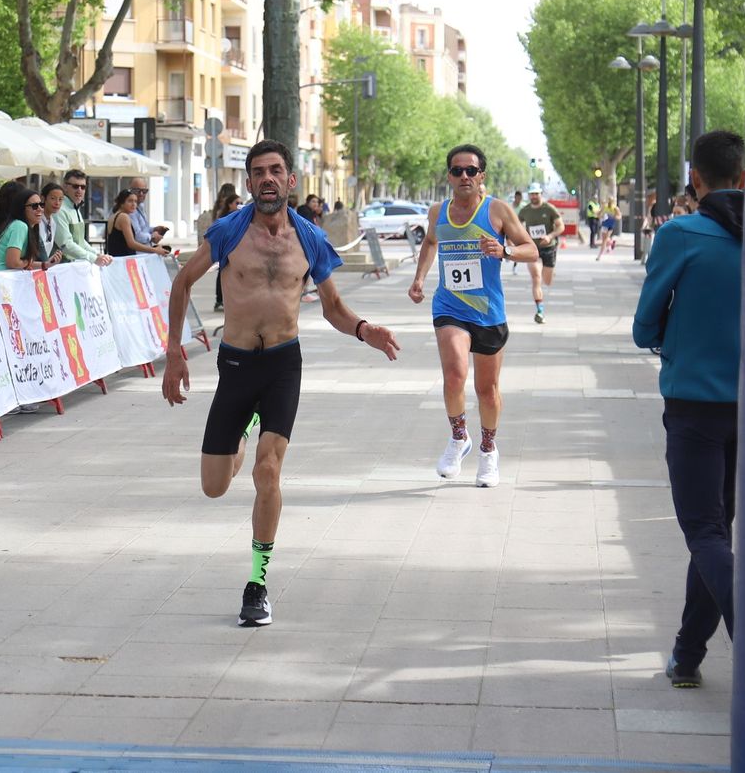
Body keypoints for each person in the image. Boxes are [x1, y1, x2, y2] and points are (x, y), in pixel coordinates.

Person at [162, 139, 400, 627]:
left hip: (282, 367)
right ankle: (242, 437)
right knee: (214, 486)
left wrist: (363, 329)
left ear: (291, 180)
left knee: (268, 473)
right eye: (258, 172)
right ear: (249, 182)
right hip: (234, 366)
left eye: (275, 171)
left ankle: (257, 583)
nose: (267, 179)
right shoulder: (229, 231)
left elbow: (332, 305)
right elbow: (183, 281)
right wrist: (174, 353)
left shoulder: (310, 238)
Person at [631, 131, 745, 690]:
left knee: (703, 530)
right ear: (743, 178)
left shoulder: (680, 234)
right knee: (717, 530)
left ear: (695, 179)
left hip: (695, 405)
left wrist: (668, 334)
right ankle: (686, 655)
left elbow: (643, 325)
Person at [409, 144, 539, 489]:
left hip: (488, 312)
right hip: (449, 307)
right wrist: (420, 278)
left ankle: (487, 448)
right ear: (449, 176)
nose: (464, 176)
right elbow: (431, 243)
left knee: (487, 390)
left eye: (471, 170)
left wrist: (505, 250)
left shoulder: (497, 210)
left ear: (482, 175)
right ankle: (458, 437)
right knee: (454, 376)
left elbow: (532, 249)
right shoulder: (438, 211)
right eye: (457, 171)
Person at [515, 183, 563, 324]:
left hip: (548, 247)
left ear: (541, 194)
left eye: (536, 193)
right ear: (529, 195)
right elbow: (516, 226)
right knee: (536, 277)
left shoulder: (549, 209)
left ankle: (548, 272)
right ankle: (540, 310)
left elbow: (561, 226)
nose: (534, 196)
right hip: (533, 249)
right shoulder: (525, 211)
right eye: (532, 194)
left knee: (547, 281)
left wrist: (550, 236)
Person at [0, 185, 53, 271]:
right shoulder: (20, 226)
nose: (40, 209)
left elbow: (20, 262)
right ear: (22, 209)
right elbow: (13, 263)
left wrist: (46, 264)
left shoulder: (24, 227)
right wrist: (28, 262)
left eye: (41, 205)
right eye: (34, 206)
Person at [50, 170, 111, 265]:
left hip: (71, 266)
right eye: (75, 186)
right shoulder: (60, 209)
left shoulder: (75, 207)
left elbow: (80, 241)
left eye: (83, 187)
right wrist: (93, 258)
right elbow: (66, 245)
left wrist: (97, 255)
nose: (79, 190)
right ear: (65, 187)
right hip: (59, 267)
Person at [107, 188, 168, 257]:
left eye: (135, 201)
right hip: (124, 259)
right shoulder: (123, 217)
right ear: (122, 203)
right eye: (130, 201)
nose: (133, 204)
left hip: (116, 258)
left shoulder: (113, 216)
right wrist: (154, 250)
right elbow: (132, 243)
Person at [209, 189, 242, 311]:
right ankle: (220, 300)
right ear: (230, 204)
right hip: (226, 249)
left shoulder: (241, 217)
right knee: (223, 274)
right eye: (237, 202)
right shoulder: (225, 219)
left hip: (236, 249)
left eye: (241, 202)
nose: (240, 205)